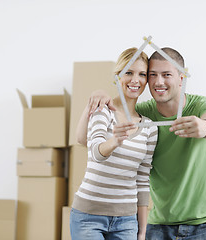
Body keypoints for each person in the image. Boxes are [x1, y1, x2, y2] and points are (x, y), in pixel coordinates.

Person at [79, 47, 206, 240]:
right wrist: (98, 96)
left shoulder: (202, 106)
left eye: (167, 75)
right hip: (159, 224)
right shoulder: (142, 116)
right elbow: (85, 140)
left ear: (181, 78)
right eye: (152, 75)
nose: (159, 82)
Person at [70, 47, 158, 240]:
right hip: (88, 216)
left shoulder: (150, 128)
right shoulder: (104, 110)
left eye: (142, 74)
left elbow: (142, 181)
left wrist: (142, 231)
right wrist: (115, 141)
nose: (135, 80)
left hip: (126, 221)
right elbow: (95, 152)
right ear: (118, 76)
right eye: (129, 72)